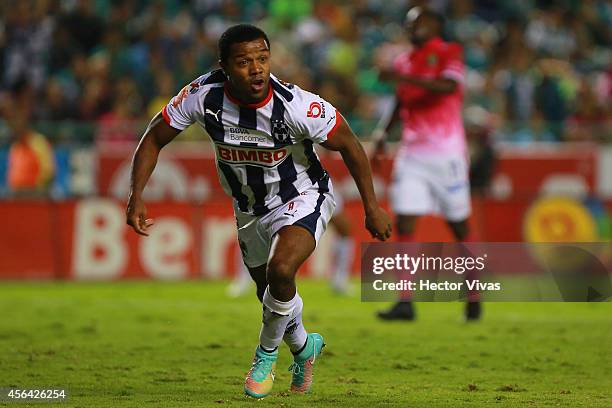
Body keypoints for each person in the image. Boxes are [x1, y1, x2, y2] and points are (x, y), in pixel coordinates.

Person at [126, 24, 391, 398]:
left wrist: (372, 207)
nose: (256, 69)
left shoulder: (297, 106)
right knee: (271, 292)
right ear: (224, 66)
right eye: (244, 61)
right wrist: (136, 194)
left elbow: (349, 143)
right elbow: (154, 136)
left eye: (262, 59)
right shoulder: (203, 96)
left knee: (281, 269)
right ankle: (303, 347)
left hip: (303, 193)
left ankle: (264, 358)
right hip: (249, 210)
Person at [371, 7, 481, 321]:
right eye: (409, 22)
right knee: (404, 221)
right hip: (412, 153)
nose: (412, 26)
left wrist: (401, 77)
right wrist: (382, 132)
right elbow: (401, 99)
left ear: (435, 24)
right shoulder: (404, 60)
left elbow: (449, 86)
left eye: (419, 21)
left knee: (459, 226)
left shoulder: (449, 52)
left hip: (447, 154)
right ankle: (405, 301)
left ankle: (473, 294)